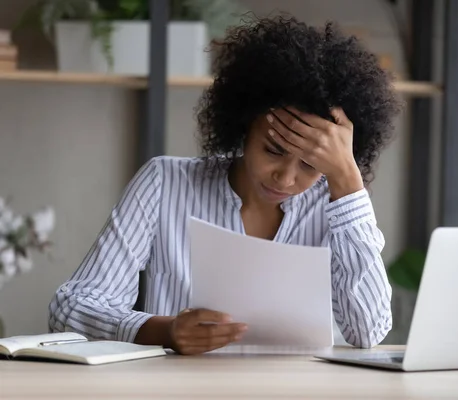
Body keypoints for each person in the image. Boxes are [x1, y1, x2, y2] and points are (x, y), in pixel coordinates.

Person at [48, 15, 399, 355]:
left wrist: (348, 182)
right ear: (244, 126)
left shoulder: (335, 207)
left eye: (311, 163)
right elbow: (70, 308)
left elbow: (368, 331)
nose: (286, 178)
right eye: (273, 150)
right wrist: (163, 331)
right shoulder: (166, 184)